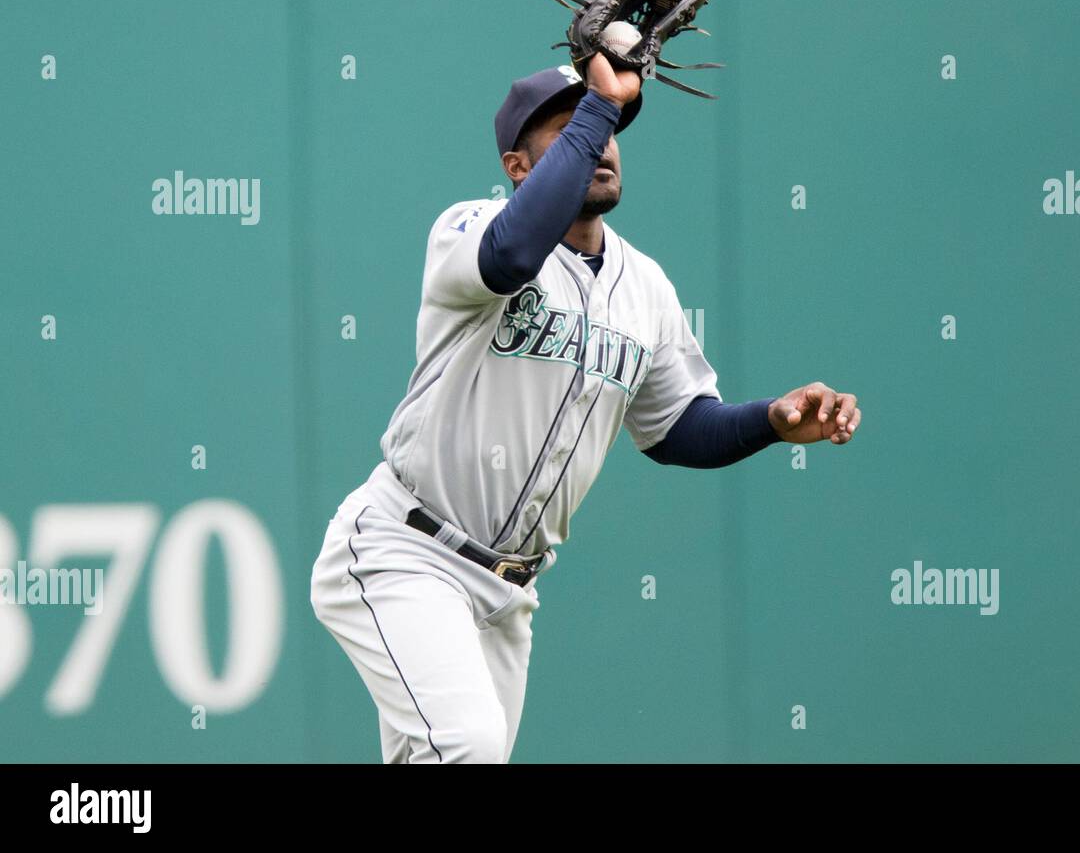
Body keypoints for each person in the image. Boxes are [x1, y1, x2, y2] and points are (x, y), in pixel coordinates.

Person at [310, 53, 861, 763]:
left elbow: (675, 429)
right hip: (406, 550)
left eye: (608, 127)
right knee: (466, 749)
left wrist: (772, 421)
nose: (601, 143)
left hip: (508, 590)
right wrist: (601, 99)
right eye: (572, 130)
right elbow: (509, 257)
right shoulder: (470, 227)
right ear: (517, 165)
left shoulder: (647, 286)